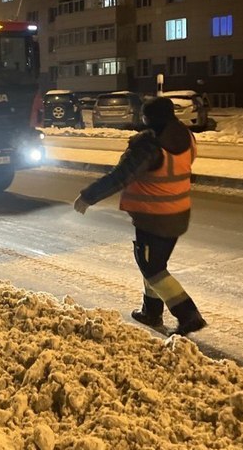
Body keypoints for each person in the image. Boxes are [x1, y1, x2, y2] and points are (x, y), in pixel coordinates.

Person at [73, 96, 206, 336]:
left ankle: (188, 315)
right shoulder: (186, 137)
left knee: (152, 268)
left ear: (148, 118)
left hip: (153, 217)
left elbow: (121, 176)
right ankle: (151, 312)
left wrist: (88, 197)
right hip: (178, 213)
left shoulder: (149, 146)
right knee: (154, 265)